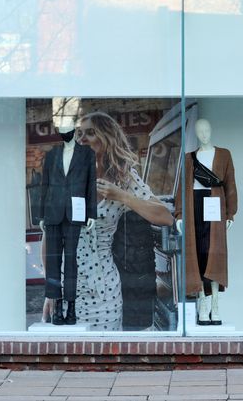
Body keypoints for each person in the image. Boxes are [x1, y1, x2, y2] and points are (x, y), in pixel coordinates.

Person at [45, 111, 173, 331]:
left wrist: (122, 196)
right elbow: (50, 238)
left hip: (104, 289)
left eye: (90, 133)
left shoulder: (124, 178)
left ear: (106, 138)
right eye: (79, 134)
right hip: (68, 287)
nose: (82, 139)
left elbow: (165, 217)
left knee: (105, 354)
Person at [174, 118, 238, 326]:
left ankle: (216, 304)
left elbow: (230, 185)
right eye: (199, 131)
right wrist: (180, 214)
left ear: (211, 130)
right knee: (198, 254)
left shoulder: (224, 154)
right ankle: (202, 303)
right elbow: (182, 188)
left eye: (206, 129)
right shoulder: (189, 158)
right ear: (196, 133)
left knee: (215, 253)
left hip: (215, 205)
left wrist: (230, 213)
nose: (203, 134)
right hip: (195, 204)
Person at [38, 121, 97, 325]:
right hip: (53, 213)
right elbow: (44, 184)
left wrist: (91, 213)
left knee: (71, 262)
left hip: (74, 213)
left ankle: (71, 309)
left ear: (74, 131)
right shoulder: (52, 154)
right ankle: (57, 309)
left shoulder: (87, 154)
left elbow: (91, 184)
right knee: (54, 263)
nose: (65, 134)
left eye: (68, 131)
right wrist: (41, 216)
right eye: (61, 132)